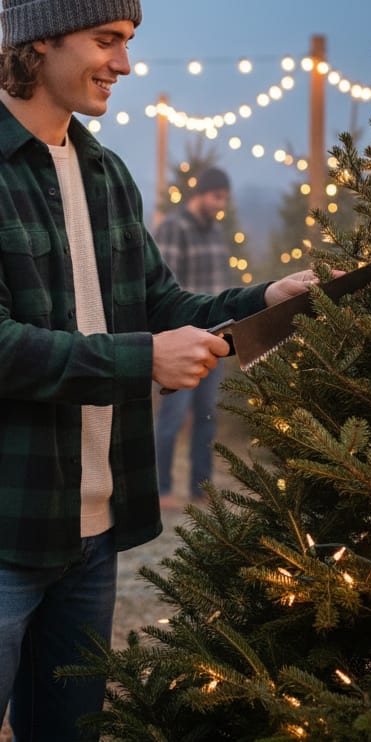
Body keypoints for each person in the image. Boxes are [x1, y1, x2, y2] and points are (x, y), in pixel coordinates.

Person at [0, 0, 322, 742]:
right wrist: (140, 361)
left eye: (127, 38)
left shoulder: (105, 174)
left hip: (92, 533)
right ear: (39, 40)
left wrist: (277, 294)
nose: (124, 61)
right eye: (107, 38)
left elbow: (159, 309)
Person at [153, 166, 233, 508]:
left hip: (216, 341)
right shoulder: (174, 228)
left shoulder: (216, 232)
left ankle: (202, 488)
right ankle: (163, 488)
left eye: (225, 199)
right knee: (172, 417)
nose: (221, 204)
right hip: (184, 342)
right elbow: (164, 290)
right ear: (200, 194)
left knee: (206, 416)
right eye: (217, 197)